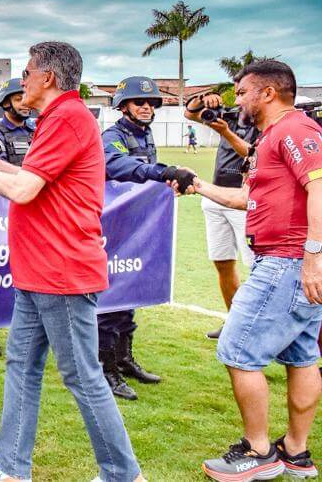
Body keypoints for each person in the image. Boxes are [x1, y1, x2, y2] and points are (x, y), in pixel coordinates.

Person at [0, 41, 144, 482]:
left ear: (48, 78)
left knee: (82, 376)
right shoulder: (59, 118)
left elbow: (23, 192)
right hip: (38, 271)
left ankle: (123, 474)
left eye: (27, 72)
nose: (22, 81)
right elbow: (34, 178)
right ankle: (10, 466)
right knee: (22, 366)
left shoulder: (69, 118)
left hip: (61, 271)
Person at [173, 60, 322, 481]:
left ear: (268, 93)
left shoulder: (296, 129)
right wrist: (198, 185)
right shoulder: (271, 136)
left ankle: (259, 452)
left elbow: (320, 185)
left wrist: (314, 257)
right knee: (303, 356)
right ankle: (296, 452)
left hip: (288, 262)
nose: (235, 100)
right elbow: (247, 200)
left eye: (241, 92)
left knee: (237, 350)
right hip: (291, 262)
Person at [98, 77, 194, 401]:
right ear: (123, 106)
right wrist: (162, 172)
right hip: (112, 227)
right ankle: (106, 370)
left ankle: (125, 361)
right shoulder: (113, 136)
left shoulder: (146, 134)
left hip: (138, 226)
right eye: (139, 102)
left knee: (131, 296)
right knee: (111, 301)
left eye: (151, 103)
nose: (146, 107)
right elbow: (117, 165)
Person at [184, 92, 256, 339]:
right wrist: (203, 98)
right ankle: (234, 323)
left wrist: (225, 132)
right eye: (237, 92)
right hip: (215, 196)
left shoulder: (266, 122)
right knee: (223, 262)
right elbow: (190, 113)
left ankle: (255, 327)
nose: (238, 98)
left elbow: (251, 154)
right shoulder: (232, 114)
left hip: (244, 199)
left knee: (256, 268)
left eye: (242, 92)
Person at [0, 77, 36, 358]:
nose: (24, 104)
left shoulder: (37, 131)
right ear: (5, 103)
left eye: (26, 98)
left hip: (31, 210)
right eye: (18, 99)